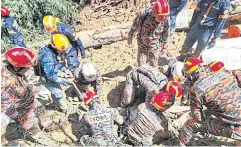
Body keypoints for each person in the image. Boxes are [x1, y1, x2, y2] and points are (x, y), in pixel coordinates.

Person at [179, 57, 241, 146]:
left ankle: (181, 145)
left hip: (236, 129)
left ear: (191, 75)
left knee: (190, 124)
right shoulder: (227, 73)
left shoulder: (196, 90)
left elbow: (197, 118)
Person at [1, 47, 54, 138]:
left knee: (41, 110)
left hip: (29, 100)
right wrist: (19, 118)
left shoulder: (15, 71)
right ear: (17, 67)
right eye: (27, 67)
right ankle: (39, 138)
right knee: (31, 125)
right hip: (21, 110)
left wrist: (39, 89)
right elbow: (7, 107)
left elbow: (23, 85)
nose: (28, 69)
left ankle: (48, 126)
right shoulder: (5, 83)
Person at [127, 0, 170, 67]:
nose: (164, 18)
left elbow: (166, 34)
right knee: (141, 67)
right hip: (142, 46)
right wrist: (130, 36)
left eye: (166, 16)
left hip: (154, 47)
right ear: (155, 12)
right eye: (161, 16)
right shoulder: (144, 14)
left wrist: (164, 46)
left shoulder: (166, 21)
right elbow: (134, 25)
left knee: (154, 67)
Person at [38, 33, 74, 112]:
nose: (64, 52)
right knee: (59, 94)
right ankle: (63, 109)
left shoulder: (50, 51)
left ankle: (56, 102)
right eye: (62, 50)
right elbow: (51, 76)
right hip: (47, 78)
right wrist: (64, 81)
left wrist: (64, 70)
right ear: (56, 47)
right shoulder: (48, 57)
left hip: (49, 73)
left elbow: (55, 64)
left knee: (57, 92)